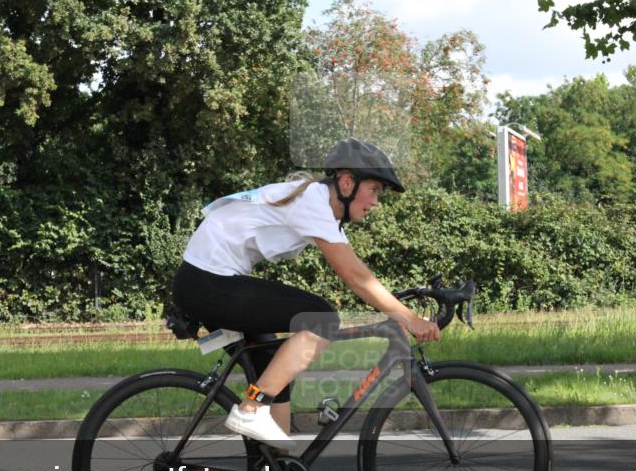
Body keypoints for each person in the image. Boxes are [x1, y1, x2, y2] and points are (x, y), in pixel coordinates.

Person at [171, 138, 440, 449]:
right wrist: (407, 318)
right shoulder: (313, 202)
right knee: (323, 319)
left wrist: (396, 307)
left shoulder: (320, 206)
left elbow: (360, 272)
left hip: (206, 281)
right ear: (348, 182)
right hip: (209, 283)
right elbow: (355, 277)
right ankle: (250, 409)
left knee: (276, 374)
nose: (376, 201)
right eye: (375, 190)